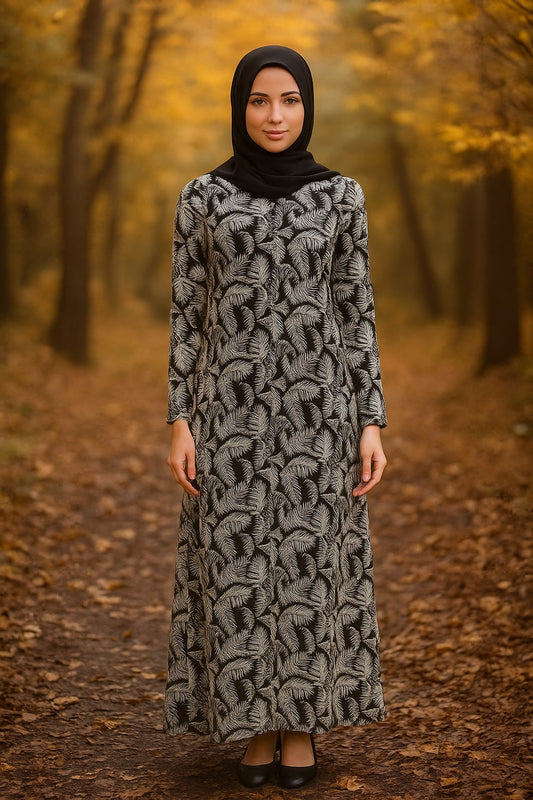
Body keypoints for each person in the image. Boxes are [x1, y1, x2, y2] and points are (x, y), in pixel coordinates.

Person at [164, 45, 387, 791]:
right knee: (237, 568)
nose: (274, 115)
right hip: (227, 418)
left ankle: (300, 726)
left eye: (289, 99)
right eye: (259, 100)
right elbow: (186, 317)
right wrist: (179, 420)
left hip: (318, 416)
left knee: (308, 572)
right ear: (240, 107)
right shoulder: (202, 197)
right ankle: (253, 725)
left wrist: (371, 420)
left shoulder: (340, 197)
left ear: (307, 105)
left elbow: (356, 310)